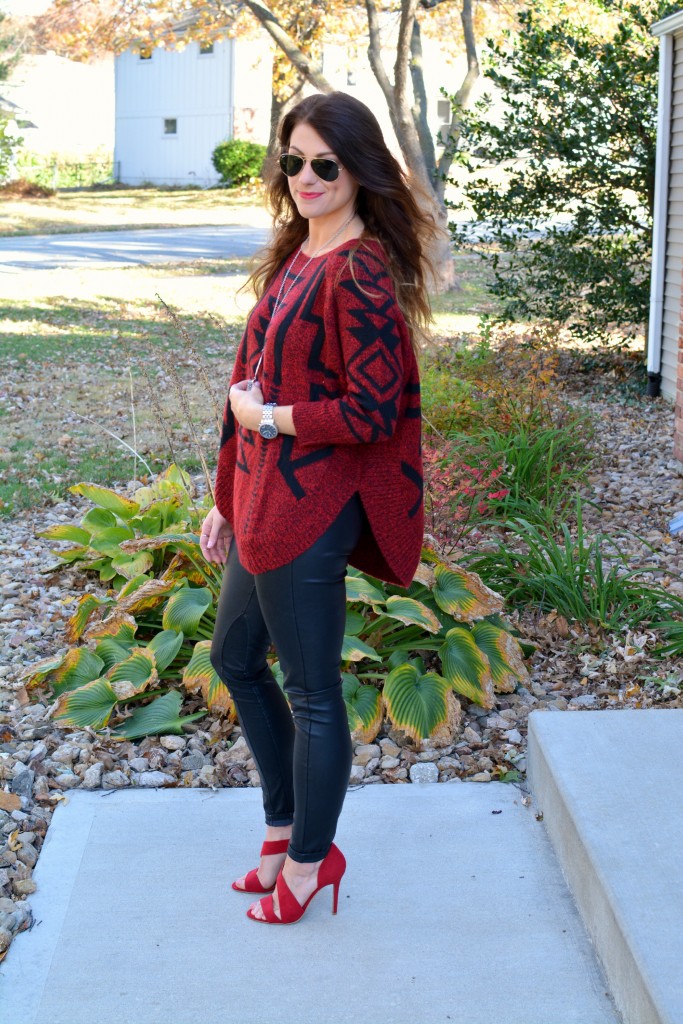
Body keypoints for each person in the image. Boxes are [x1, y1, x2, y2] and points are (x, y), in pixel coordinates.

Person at [201, 91, 435, 925]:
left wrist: (269, 420)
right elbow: (245, 379)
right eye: (292, 161)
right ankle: (281, 826)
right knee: (234, 660)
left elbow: (371, 412)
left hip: (314, 505)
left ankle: (310, 859)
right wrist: (226, 492)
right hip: (263, 501)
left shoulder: (359, 271)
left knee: (310, 692)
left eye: (323, 165)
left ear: (357, 170)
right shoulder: (299, 253)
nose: (304, 176)